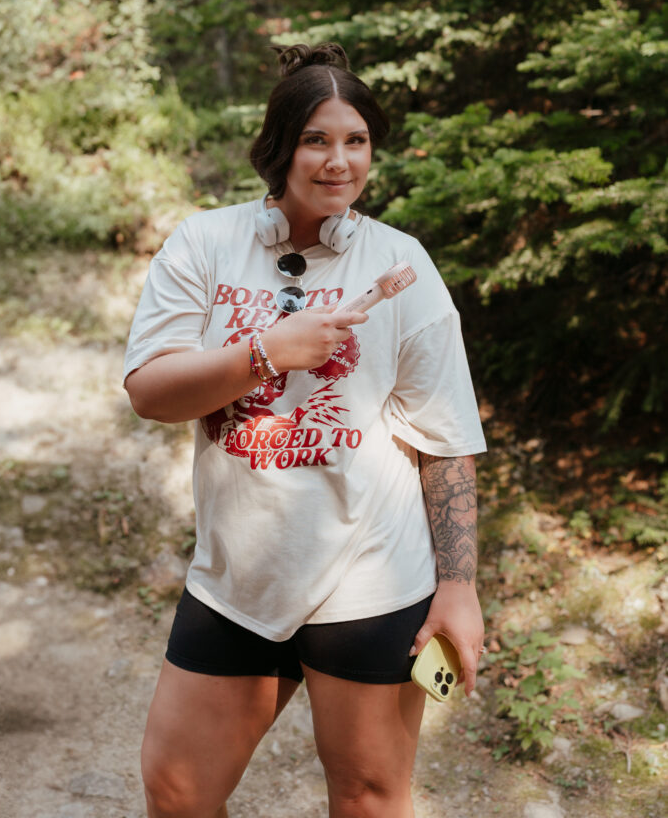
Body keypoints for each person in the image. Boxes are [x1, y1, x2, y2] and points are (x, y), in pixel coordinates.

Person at [123, 42, 487, 818]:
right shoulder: (206, 244)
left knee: (366, 798)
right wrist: (264, 353)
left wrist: (457, 587)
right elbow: (150, 392)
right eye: (317, 139)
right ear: (279, 146)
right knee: (177, 789)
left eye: (355, 141)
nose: (338, 161)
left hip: (371, 579)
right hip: (238, 577)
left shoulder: (401, 264)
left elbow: (445, 438)